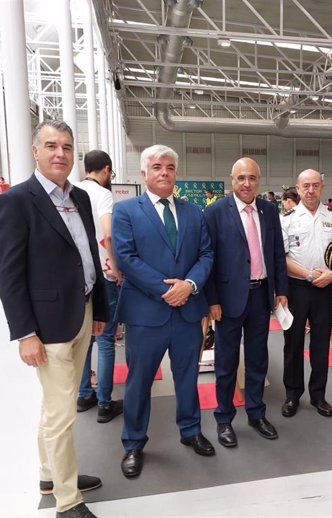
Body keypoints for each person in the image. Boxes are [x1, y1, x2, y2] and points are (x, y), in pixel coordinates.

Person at [0, 120, 108, 518]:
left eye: (67, 146)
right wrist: (25, 332)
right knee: (62, 413)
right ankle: (67, 500)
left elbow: (89, 254)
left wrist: (101, 310)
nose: (60, 153)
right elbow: (8, 274)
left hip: (83, 310)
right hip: (48, 324)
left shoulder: (80, 198)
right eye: (51, 146)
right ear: (35, 151)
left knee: (54, 404)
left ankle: (49, 474)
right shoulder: (16, 201)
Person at [112, 144, 215, 479]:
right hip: (146, 314)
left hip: (187, 311)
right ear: (143, 173)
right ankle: (133, 443)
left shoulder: (193, 211)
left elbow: (206, 255)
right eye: (157, 167)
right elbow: (126, 258)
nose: (164, 173)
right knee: (139, 381)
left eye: (170, 167)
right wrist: (166, 289)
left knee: (187, 376)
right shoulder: (126, 211)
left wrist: (189, 285)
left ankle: (190, 430)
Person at [204, 157, 288, 448]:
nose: (247, 183)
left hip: (261, 295)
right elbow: (209, 260)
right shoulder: (215, 212)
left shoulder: (268, 209)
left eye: (252, 177)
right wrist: (211, 299)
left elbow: (277, 253)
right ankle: (224, 418)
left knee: (257, 360)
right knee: (226, 363)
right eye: (241, 178)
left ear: (259, 180)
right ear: (232, 180)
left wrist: (281, 290)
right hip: (227, 300)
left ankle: (256, 413)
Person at [279, 170, 332, 418]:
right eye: (305, 186)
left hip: (324, 289)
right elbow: (282, 258)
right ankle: (292, 395)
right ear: (297, 188)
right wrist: (308, 274)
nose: (310, 190)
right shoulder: (286, 219)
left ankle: (319, 395)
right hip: (296, 287)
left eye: (315, 185)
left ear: (322, 187)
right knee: (293, 344)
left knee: (320, 345)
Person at [75, 150, 124, 424]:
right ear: (106, 170)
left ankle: (84, 394)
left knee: (85, 339)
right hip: (104, 275)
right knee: (106, 338)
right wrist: (115, 267)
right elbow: (107, 233)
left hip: (81, 279)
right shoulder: (102, 194)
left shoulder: (71, 191)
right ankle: (105, 402)